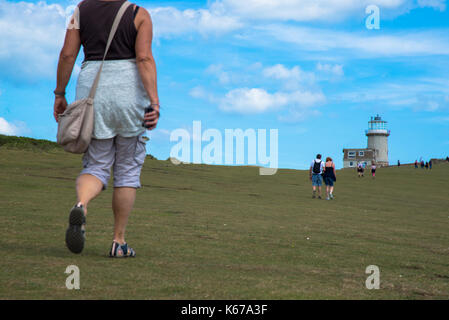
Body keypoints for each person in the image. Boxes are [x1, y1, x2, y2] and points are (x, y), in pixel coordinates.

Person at [53, 0, 160, 257]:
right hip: (129, 94)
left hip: (92, 90)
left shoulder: (79, 11)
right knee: (127, 170)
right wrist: (154, 101)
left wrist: (59, 93)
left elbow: (68, 54)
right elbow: (144, 57)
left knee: (96, 165)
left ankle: (82, 204)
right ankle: (118, 241)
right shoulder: (139, 14)